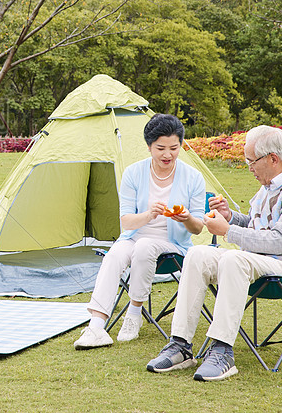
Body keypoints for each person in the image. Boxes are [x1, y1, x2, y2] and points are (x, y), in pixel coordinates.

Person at [146, 125, 282, 381]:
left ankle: (222, 351)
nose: (248, 167)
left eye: (251, 161)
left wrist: (228, 230)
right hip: (256, 261)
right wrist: (232, 217)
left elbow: (280, 241)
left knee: (233, 257)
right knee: (197, 254)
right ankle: (180, 345)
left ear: (273, 159)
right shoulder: (268, 186)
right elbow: (256, 224)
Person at [74, 114, 206, 349]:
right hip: (135, 236)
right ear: (149, 147)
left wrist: (185, 217)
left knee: (146, 247)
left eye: (174, 148)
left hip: (173, 244)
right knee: (115, 254)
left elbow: (196, 229)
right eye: (161, 148)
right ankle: (96, 326)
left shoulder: (193, 177)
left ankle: (134, 314)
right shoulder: (133, 173)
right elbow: (126, 222)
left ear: (181, 146)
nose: (168, 154)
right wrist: (149, 214)